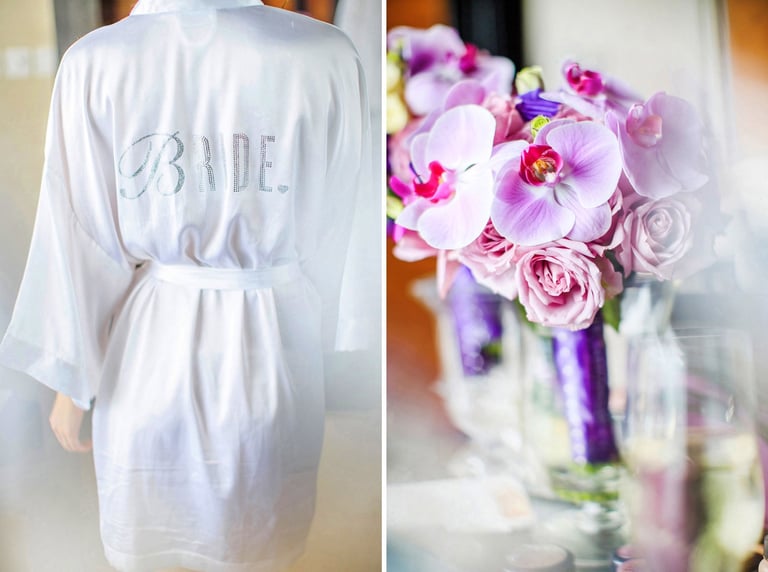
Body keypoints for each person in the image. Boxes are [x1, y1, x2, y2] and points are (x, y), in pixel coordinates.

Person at [0, 1, 372, 570]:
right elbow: (341, 223)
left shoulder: (95, 61)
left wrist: (71, 380)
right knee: (258, 540)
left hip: (152, 349)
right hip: (276, 342)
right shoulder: (325, 54)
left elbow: (80, 236)